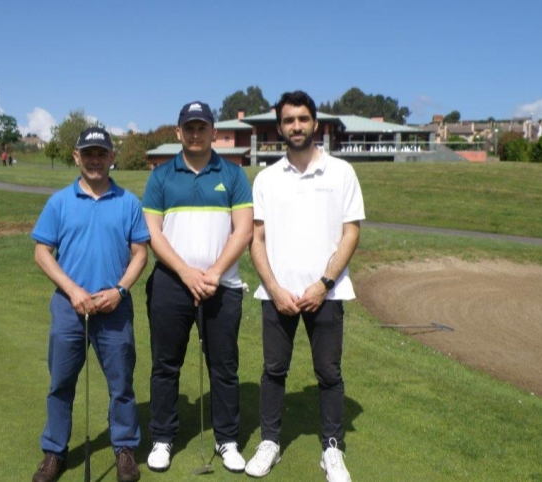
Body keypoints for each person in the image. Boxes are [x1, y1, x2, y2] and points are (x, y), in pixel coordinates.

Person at [245, 91, 365, 482]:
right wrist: (275, 288)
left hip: (326, 294)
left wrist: (325, 283)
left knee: (329, 373)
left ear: (315, 123)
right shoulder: (266, 178)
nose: (296, 126)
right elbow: (256, 240)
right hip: (277, 294)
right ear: (279, 127)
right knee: (273, 371)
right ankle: (270, 442)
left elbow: (351, 233)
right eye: (288, 120)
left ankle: (332, 448)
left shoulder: (341, 172)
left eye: (302, 118)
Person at [30, 126, 149, 482]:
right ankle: (54, 452)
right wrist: (72, 290)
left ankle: (125, 448)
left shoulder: (128, 202)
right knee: (61, 382)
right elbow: (41, 252)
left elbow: (141, 254)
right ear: (76, 157)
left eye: (102, 153)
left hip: (114, 307)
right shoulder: (60, 202)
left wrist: (121, 290)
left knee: (121, 385)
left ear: (112, 157)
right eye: (89, 153)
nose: (95, 159)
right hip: (70, 308)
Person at [142, 101, 253, 473]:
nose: (194, 134)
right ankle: (162, 437)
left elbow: (244, 230)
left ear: (213, 132)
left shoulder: (233, 175)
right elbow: (153, 234)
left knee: (223, 367)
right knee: (165, 365)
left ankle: (227, 440)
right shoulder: (160, 176)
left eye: (201, 127)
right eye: (188, 128)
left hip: (222, 285)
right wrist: (187, 273)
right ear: (178, 132)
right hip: (171, 284)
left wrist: (215, 271)